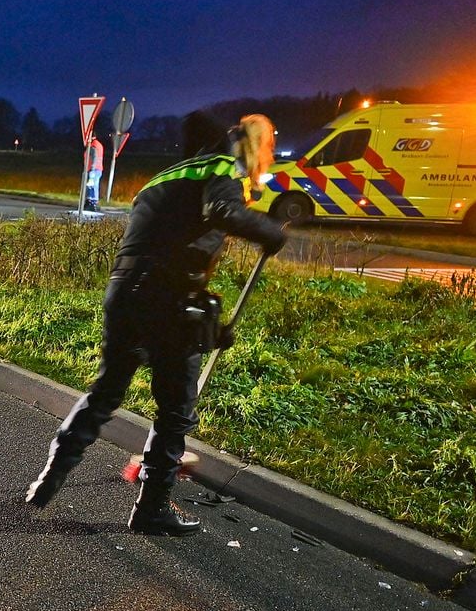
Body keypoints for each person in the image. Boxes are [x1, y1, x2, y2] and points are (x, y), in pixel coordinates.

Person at [24, 113, 288, 535]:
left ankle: (46, 482)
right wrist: (270, 231)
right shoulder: (224, 169)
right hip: (165, 296)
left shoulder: (165, 175)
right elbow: (221, 211)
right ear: (255, 147)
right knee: (174, 409)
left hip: (124, 288)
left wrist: (210, 324)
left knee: (106, 392)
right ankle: (151, 508)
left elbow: (168, 237)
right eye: (270, 150)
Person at [84, 136, 104, 210]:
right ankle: (91, 202)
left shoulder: (93, 145)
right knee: (92, 185)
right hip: (97, 169)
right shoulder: (98, 144)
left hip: (93, 169)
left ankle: (92, 203)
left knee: (92, 186)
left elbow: (94, 158)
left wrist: (92, 170)